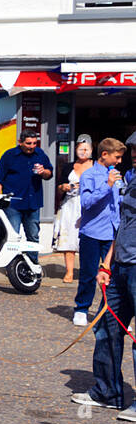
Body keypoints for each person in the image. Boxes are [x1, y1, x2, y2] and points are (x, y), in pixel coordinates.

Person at [71, 131, 136, 421]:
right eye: (130, 151)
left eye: (132, 151)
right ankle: (108, 392)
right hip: (119, 263)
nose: (130, 156)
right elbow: (123, 224)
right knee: (106, 328)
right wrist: (107, 264)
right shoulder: (129, 179)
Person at [74, 138, 124, 326]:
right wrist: (107, 185)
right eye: (117, 157)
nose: (119, 161)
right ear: (104, 154)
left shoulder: (118, 175)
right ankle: (81, 308)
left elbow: (118, 203)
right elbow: (86, 203)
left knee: (113, 275)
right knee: (88, 273)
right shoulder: (89, 175)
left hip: (112, 232)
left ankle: (112, 313)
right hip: (92, 232)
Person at [0, 129, 53, 264]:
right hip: (13, 204)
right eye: (28, 143)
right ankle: (11, 265)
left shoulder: (40, 154)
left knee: (33, 236)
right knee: (12, 237)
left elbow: (49, 173)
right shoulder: (9, 155)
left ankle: (32, 266)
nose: (32, 146)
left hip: (33, 203)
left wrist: (44, 172)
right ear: (20, 142)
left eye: (34, 143)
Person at [54, 137, 93, 283]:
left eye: (86, 149)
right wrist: (63, 187)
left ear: (91, 150)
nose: (83, 152)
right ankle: (69, 271)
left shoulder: (96, 166)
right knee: (69, 238)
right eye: (80, 149)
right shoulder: (68, 166)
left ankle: (87, 271)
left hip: (88, 206)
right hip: (70, 205)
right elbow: (59, 187)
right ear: (76, 149)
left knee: (88, 239)